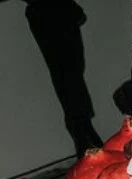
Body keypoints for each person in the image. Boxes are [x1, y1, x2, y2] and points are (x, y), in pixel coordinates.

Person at [22, 0, 103, 155]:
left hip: (52, 11)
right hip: (51, 11)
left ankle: (81, 127)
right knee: (68, 73)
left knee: (68, 74)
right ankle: (82, 127)